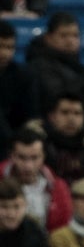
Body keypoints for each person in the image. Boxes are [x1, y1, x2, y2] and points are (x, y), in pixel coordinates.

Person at [31, 92, 84, 191]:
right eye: (65, 112)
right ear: (51, 116)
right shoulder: (38, 144)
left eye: (77, 113)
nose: (71, 119)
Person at [0, 127, 71, 231]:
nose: (28, 166)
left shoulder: (58, 188)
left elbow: (62, 227)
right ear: (12, 156)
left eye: (34, 158)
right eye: (22, 157)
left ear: (43, 157)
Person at [25, 11, 84, 118]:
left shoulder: (79, 68)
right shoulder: (38, 66)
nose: (70, 41)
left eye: (75, 36)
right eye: (64, 35)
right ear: (48, 38)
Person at [0, 178, 50, 247]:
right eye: (4, 207)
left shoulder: (36, 235)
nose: (11, 214)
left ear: (25, 205)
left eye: (17, 207)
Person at [0, 18, 39, 157]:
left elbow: (31, 116)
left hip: (16, 143)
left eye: (9, 47)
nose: (4, 53)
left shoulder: (23, 75)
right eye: (1, 46)